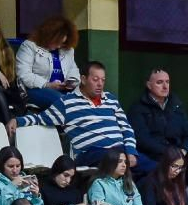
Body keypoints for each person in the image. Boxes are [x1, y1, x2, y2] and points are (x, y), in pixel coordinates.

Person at [9, 61, 138, 169]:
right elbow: (40, 119)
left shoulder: (111, 99)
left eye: (103, 80)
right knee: (115, 159)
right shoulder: (67, 103)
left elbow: (126, 129)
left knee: (152, 168)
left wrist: (131, 152)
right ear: (83, 79)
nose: (100, 84)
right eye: (95, 79)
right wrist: (17, 121)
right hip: (91, 153)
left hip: (121, 152)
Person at [128, 69, 188, 176]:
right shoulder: (138, 108)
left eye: (167, 82)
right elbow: (143, 140)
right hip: (154, 157)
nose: (165, 86)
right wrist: (170, 154)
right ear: (149, 85)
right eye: (159, 82)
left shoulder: (176, 105)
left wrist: (183, 151)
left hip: (180, 156)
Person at [16, 16, 81, 112]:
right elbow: (23, 75)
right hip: (36, 90)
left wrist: (71, 82)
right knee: (63, 102)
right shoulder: (29, 46)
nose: (59, 46)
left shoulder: (68, 50)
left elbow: (73, 70)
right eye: (57, 42)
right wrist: (47, 84)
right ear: (48, 36)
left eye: (62, 43)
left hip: (63, 90)